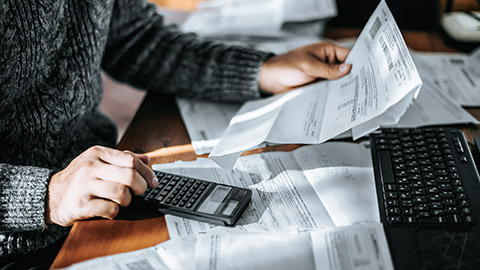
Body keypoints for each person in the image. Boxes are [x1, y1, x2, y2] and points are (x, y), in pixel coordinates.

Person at [0, 0, 351, 268]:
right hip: (24, 241)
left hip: (106, 193)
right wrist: (49, 194)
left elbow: (133, 38)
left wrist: (260, 71)